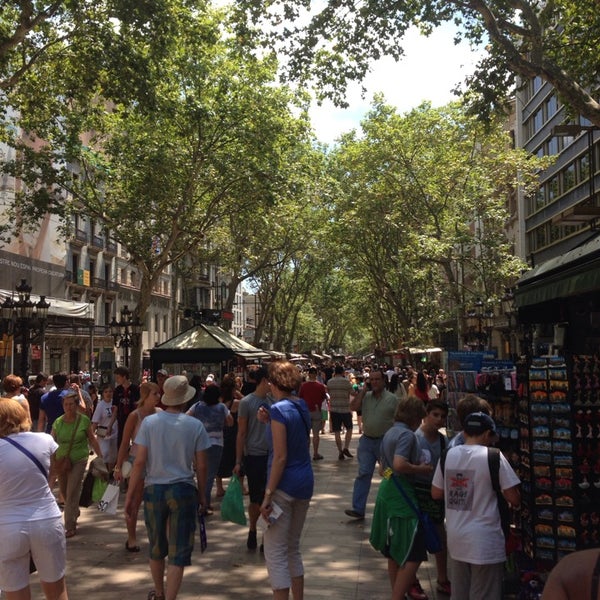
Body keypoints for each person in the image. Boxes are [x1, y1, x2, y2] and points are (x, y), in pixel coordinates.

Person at [124, 375, 210, 600]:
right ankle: (170, 596)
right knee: (179, 550)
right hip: (183, 488)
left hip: (154, 490)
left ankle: (159, 592)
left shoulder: (150, 423)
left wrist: (131, 495)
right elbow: (201, 466)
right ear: (185, 399)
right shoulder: (195, 425)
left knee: (156, 546)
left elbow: (140, 462)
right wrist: (203, 495)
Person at [431, 412, 521, 600]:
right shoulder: (493, 457)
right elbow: (514, 498)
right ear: (488, 434)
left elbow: (436, 493)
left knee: (460, 592)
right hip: (485, 540)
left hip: (457, 538)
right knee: (485, 593)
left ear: (464, 432)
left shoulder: (448, 455)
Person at [0, 399, 69, 600]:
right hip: (46, 520)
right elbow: (54, 471)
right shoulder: (44, 440)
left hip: (7, 526)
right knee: (57, 590)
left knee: (15, 592)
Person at [260, 360, 314, 600]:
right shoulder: (300, 405)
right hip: (304, 482)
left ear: (273, 383)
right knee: (292, 547)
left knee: (275, 551)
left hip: (284, 485)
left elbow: (280, 456)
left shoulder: (278, 410)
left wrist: (268, 494)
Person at [369, 397, 432, 600]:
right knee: (415, 550)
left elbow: (382, 470)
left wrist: (392, 479)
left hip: (389, 490)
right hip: (402, 496)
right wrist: (420, 469)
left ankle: (398, 593)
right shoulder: (407, 435)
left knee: (393, 550)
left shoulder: (390, 432)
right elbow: (398, 464)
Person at [114, 381, 162, 552]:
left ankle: (156, 536)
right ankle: (132, 538)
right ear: (145, 395)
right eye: (155, 393)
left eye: (159, 393)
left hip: (155, 461)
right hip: (137, 461)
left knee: (156, 501)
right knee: (134, 502)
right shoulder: (135, 416)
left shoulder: (160, 413)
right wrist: (118, 467)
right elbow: (124, 442)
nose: (159, 396)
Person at [345, 369, 399, 519]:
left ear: (383, 381)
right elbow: (353, 407)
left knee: (388, 474)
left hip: (384, 443)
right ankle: (358, 508)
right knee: (364, 473)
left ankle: (392, 505)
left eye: (377, 379)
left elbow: (399, 419)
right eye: (372, 380)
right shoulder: (366, 397)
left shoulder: (392, 399)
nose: (374, 382)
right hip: (367, 443)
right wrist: (362, 392)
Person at [51, 389, 103, 538]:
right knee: (64, 491)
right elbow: (51, 441)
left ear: (76, 405)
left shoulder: (83, 420)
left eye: (71, 404)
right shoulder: (58, 422)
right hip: (62, 460)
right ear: (63, 406)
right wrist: (51, 462)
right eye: (66, 404)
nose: (69, 407)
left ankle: (69, 526)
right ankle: (74, 510)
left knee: (72, 490)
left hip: (79, 459)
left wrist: (100, 456)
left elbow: (92, 439)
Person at [412, 400, 451, 599]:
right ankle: (411, 580)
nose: (439, 419)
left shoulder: (444, 441)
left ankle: (443, 579)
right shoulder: (414, 439)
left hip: (436, 494)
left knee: (439, 537)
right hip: (417, 493)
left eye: (442, 416)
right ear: (426, 414)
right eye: (435, 414)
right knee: (416, 538)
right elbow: (390, 467)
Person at [233, 366, 272, 550]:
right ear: (264, 380)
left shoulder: (274, 402)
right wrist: (238, 461)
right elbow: (241, 433)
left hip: (271, 456)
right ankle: (252, 529)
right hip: (254, 456)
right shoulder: (246, 403)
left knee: (269, 497)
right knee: (256, 499)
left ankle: (266, 536)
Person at [187, 383, 232, 513]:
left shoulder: (198, 406)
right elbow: (230, 421)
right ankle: (204, 503)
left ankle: (202, 501)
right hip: (217, 443)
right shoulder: (222, 407)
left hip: (199, 443)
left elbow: (186, 416)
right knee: (210, 475)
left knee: (200, 473)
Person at [215, 373, 242, 497]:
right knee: (236, 460)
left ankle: (219, 488)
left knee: (220, 462)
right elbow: (247, 401)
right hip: (233, 435)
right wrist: (239, 394)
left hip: (220, 434)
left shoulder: (217, 403)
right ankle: (239, 486)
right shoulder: (235, 403)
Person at [298, 366, 328, 460]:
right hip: (316, 410)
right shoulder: (320, 386)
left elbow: (300, 397)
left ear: (309, 374)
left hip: (306, 411)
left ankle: (306, 454)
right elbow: (324, 397)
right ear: (316, 375)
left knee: (306, 434)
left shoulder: (303, 386)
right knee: (316, 434)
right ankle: (315, 453)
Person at [108, 366, 140, 449]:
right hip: (121, 419)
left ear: (124, 377)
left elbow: (139, 406)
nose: (116, 380)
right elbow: (115, 409)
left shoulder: (136, 389)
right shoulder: (117, 390)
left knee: (136, 442)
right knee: (121, 443)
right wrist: (110, 425)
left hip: (134, 419)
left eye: (118, 377)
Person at [326, 364, 354, 460]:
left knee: (337, 431)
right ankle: (346, 447)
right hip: (345, 409)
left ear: (335, 372)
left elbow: (329, 393)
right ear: (342, 372)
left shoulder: (330, 382)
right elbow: (353, 393)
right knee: (349, 428)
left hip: (334, 409)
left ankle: (340, 451)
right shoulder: (346, 382)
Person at [91, 385, 118, 471]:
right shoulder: (100, 405)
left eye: (110, 391)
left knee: (113, 455)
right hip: (104, 433)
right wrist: (91, 435)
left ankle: (111, 472)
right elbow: (95, 421)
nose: (108, 394)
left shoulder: (115, 403)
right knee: (104, 453)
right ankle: (104, 472)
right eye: (106, 392)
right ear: (102, 394)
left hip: (115, 432)